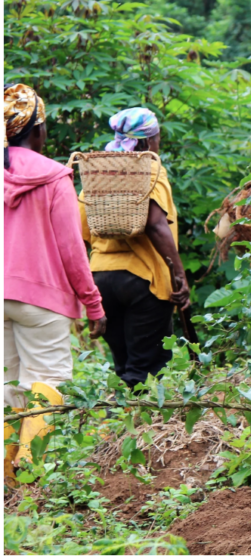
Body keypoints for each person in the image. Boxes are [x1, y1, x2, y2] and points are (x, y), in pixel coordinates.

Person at [3, 84, 107, 487]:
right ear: (38, 129)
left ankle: (7, 482)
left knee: (9, 383)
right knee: (49, 379)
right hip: (41, 298)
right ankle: (30, 473)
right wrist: (93, 306)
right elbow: (71, 250)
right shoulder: (54, 177)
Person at [81, 108, 189, 389]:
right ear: (147, 141)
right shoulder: (150, 168)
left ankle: (123, 425)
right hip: (144, 280)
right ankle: (144, 428)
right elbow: (155, 225)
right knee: (147, 370)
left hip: (102, 277)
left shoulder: (98, 170)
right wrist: (179, 275)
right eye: (157, 137)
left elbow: (80, 230)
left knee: (125, 364)